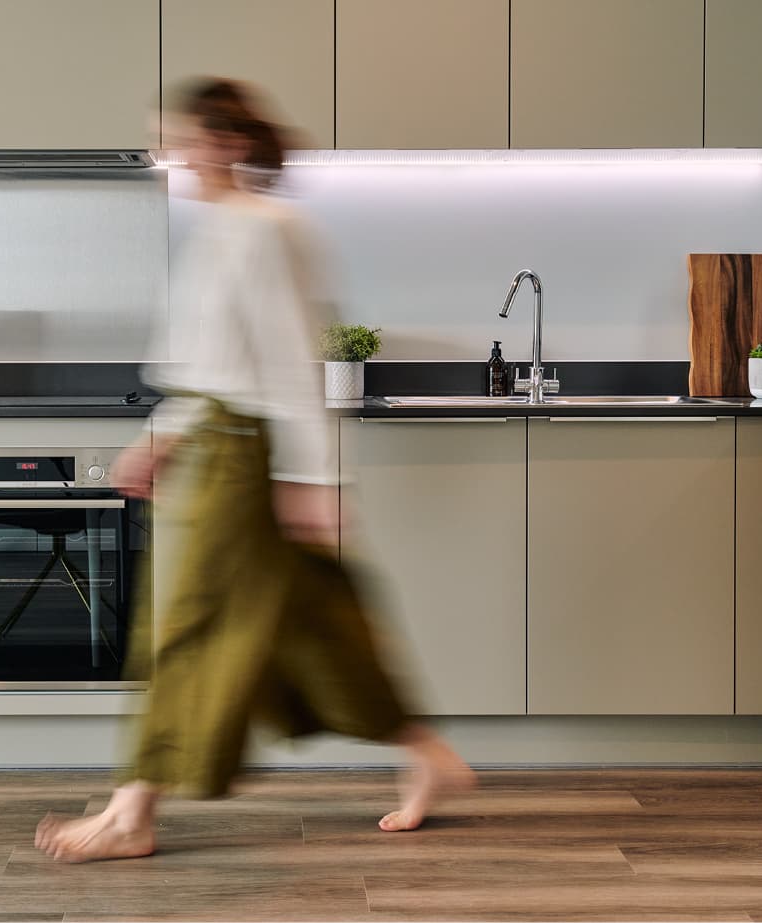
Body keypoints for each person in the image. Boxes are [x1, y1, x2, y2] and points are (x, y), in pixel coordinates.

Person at [35, 77, 473, 863]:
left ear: (227, 143)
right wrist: (162, 435)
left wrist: (314, 479)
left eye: (181, 137)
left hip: (244, 460)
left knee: (188, 626)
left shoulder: (267, 230)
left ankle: (133, 811)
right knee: (314, 623)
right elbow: (211, 364)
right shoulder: (220, 229)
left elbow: (287, 361)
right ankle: (427, 754)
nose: (168, 152)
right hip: (214, 446)